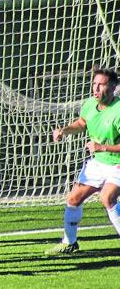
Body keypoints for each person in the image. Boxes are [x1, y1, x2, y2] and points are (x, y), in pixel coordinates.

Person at [45, 68, 120, 255]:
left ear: (113, 87)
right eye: (94, 84)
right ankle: (69, 242)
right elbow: (82, 123)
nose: (96, 88)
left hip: (117, 164)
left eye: (101, 84)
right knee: (73, 199)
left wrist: (102, 147)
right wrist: (64, 130)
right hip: (98, 163)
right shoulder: (90, 104)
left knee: (107, 198)